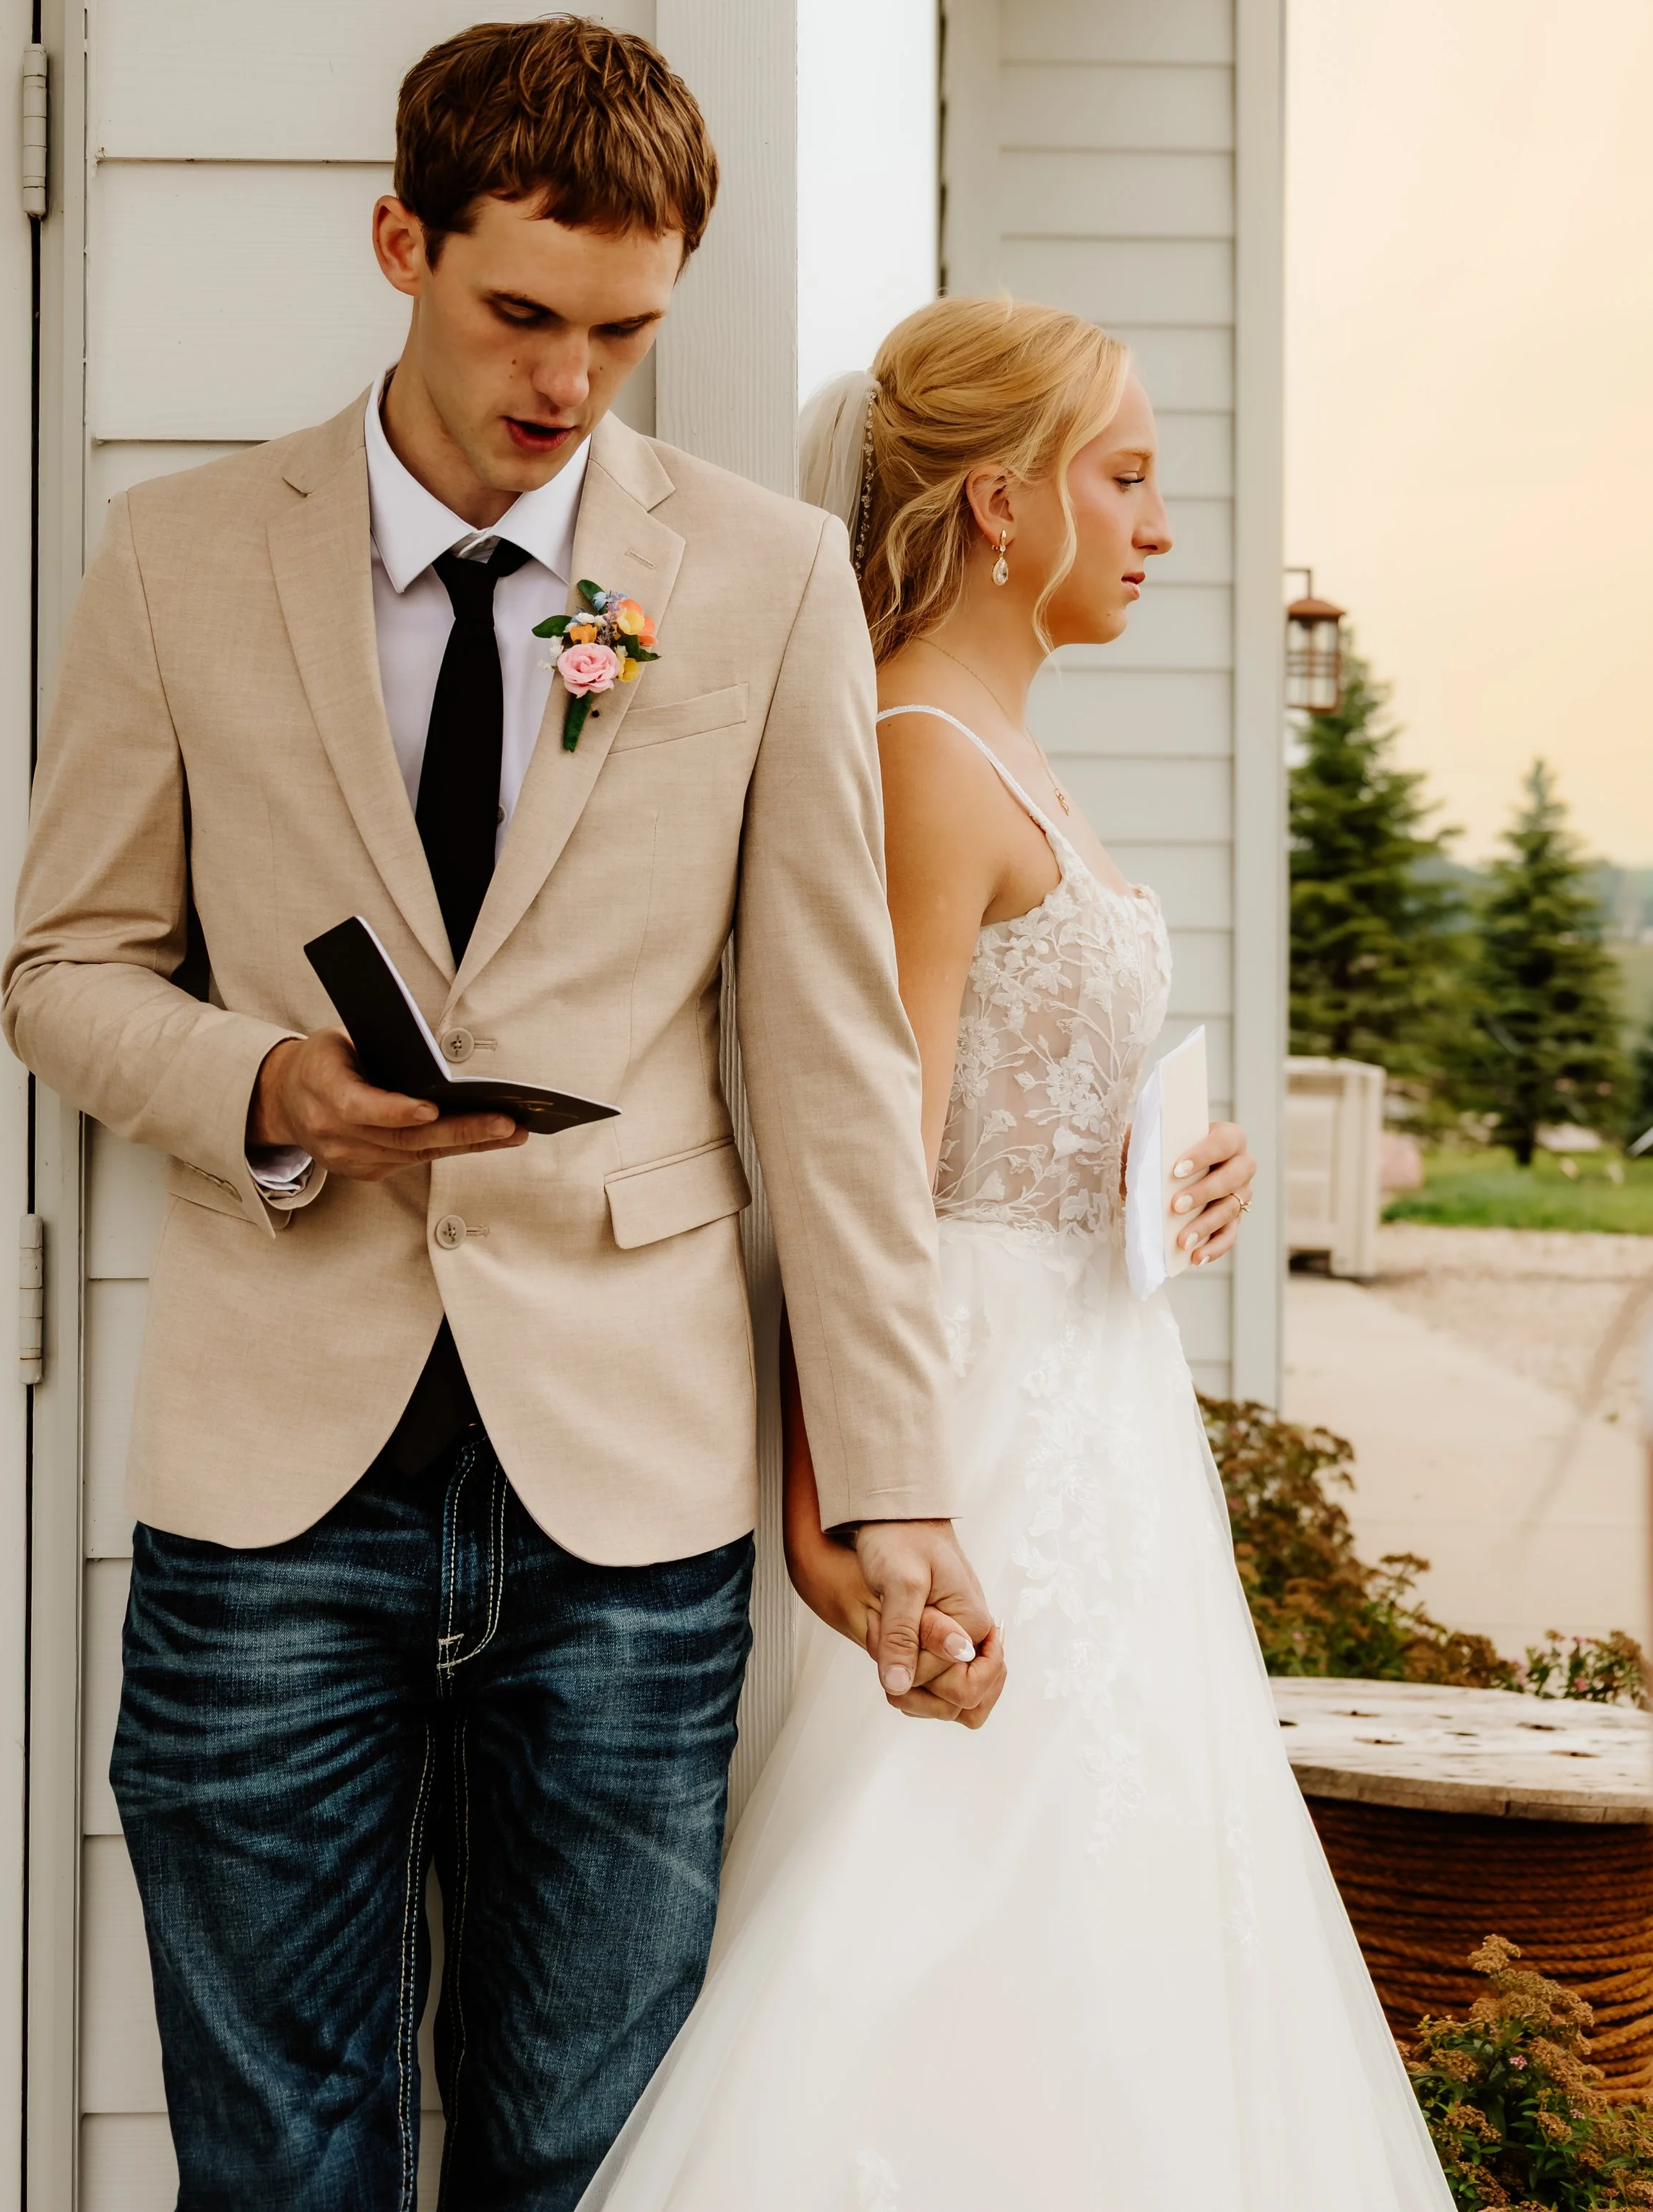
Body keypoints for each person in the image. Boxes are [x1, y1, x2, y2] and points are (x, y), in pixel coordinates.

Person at [1, 18, 1004, 2212]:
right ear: (402, 242)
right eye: (518, 312)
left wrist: (894, 1478)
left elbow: (834, 1057)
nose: (566, 381)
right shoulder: (177, 553)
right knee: (273, 2158)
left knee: (587, 2155)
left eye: (623, 333)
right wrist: (262, 1082)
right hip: (270, 1501)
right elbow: (61, 970)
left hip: (631, 1507)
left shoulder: (756, 577)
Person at [582, 297, 1456, 2211]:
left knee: (1123, 1886)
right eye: (1124, 478)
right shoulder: (912, 755)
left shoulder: (1006, 744)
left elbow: (1015, 1100)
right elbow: (861, 1156)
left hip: (1092, 1390)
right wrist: (847, 1500)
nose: (1158, 525)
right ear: (999, 503)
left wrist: (1170, 1177)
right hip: (968, 1406)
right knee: (927, 1881)